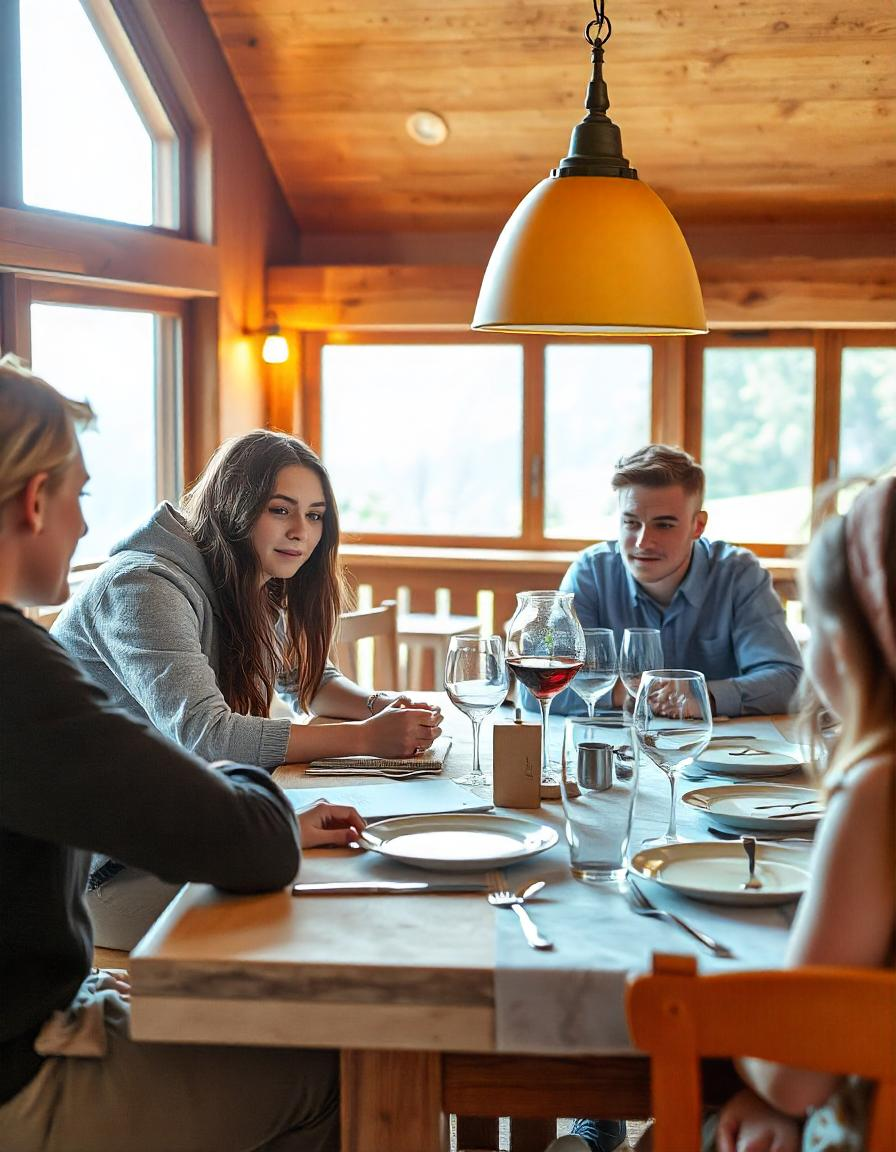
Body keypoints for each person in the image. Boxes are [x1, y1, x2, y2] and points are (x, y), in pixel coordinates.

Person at [0, 353, 365, 1151]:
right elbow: (251, 840)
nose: (89, 525)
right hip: (24, 1075)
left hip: (52, 1000)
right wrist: (240, 780)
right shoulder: (16, 670)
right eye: (80, 495)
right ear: (35, 500)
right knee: (347, 1067)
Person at [53, 428, 442, 948]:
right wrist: (366, 738)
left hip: (181, 823)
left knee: (358, 878)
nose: (301, 531)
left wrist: (378, 706)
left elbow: (310, 680)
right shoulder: (145, 586)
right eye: (280, 510)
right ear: (234, 506)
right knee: (325, 912)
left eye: (314, 514)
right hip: (102, 870)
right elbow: (208, 736)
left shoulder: (245, 576)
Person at [709, 474, 896, 1152]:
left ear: (865, 636)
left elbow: (794, 1073)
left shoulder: (878, 790)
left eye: (815, 623)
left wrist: (755, 1072)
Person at [545, 444, 802, 718]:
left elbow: (790, 682)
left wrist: (701, 696)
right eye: (631, 523)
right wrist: (630, 692)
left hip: (720, 754)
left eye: (664, 525)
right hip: (615, 752)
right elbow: (536, 687)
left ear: (698, 526)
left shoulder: (738, 575)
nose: (643, 542)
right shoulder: (590, 573)